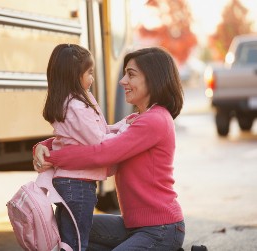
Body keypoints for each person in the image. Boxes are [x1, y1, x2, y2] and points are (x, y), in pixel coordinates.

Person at [34, 46, 185, 250]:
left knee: (76, 232)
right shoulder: (136, 119)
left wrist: (52, 157)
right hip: (133, 225)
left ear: (153, 79)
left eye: (130, 75)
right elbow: (93, 137)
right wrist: (43, 146)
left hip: (161, 228)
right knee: (65, 228)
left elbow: (102, 153)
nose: (122, 81)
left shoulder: (155, 120)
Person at [39, 43, 133, 251]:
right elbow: (98, 142)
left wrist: (121, 126)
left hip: (69, 183)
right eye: (89, 73)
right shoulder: (76, 106)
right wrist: (127, 134)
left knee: (67, 239)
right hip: (79, 184)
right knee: (77, 242)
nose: (92, 78)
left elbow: (97, 131)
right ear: (74, 75)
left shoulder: (69, 102)